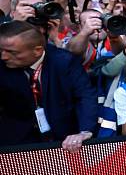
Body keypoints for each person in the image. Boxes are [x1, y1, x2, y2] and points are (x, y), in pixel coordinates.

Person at [0, 21, 97, 150]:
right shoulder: (2, 66)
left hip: (62, 141)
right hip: (15, 144)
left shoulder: (64, 61)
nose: (4, 56)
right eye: (1, 50)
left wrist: (85, 131)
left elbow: (85, 96)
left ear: (37, 50)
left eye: (12, 52)